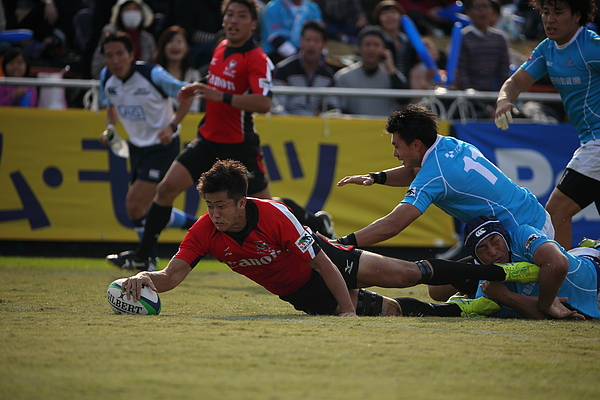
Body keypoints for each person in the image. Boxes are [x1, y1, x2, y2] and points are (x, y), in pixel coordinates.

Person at [120, 159, 543, 317]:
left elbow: (321, 262)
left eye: (220, 205)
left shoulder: (275, 216)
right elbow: (173, 276)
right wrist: (144, 280)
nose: (213, 213)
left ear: (242, 200)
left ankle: (499, 270)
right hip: (300, 294)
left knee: (409, 274)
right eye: (208, 205)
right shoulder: (204, 231)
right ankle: (470, 310)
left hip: (327, 259)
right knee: (393, 312)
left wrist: (345, 310)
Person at [106, 0, 335, 272]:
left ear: (253, 24)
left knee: (268, 206)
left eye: (241, 15)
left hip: (240, 146)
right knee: (166, 189)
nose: (233, 20)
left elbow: (263, 103)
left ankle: (317, 223)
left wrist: (220, 96)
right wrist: (197, 89)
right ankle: (144, 254)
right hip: (207, 139)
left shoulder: (257, 58)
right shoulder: (221, 47)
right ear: (223, 20)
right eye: (229, 15)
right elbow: (215, 85)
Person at [336, 104, 569, 316]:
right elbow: (415, 171)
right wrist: (375, 177)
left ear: (416, 144)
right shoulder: (447, 145)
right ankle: (493, 289)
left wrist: (342, 243)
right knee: (437, 289)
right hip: (530, 216)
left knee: (495, 298)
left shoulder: (435, 172)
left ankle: (510, 297)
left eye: (397, 146)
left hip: (519, 238)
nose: (395, 154)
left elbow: (393, 225)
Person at [494, 0, 600, 250]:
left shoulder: (591, 46)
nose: (549, 19)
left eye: (558, 12)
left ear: (577, 15)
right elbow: (515, 82)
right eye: (545, 12)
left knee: (556, 211)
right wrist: (503, 100)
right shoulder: (546, 50)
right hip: (589, 140)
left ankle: (563, 284)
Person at [99, 31, 197, 271]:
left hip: (162, 146)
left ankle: (146, 258)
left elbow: (187, 95)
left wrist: (172, 126)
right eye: (109, 56)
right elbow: (111, 105)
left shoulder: (152, 74)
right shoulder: (106, 78)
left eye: (120, 54)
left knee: (134, 204)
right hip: (137, 148)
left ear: (132, 55)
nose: (115, 61)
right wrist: (110, 128)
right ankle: (195, 228)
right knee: (147, 207)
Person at [464, 215, 598, 319]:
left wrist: (545, 305)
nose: (492, 251)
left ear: (505, 238)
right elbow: (544, 318)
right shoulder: (488, 287)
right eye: (482, 248)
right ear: (477, 257)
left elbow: (558, 264)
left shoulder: (521, 236)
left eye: (495, 241)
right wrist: (505, 296)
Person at [334, 26, 408, 116]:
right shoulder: (343, 76)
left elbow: (404, 100)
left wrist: (391, 69)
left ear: (383, 49)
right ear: (359, 48)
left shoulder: (392, 75)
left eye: (376, 45)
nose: (371, 49)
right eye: (367, 44)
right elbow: (339, 109)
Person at [272, 20, 340, 115]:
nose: (311, 44)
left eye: (316, 41)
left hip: (317, 127)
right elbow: (277, 105)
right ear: (301, 42)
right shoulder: (283, 70)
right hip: (288, 125)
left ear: (324, 45)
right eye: (308, 40)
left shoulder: (327, 75)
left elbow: (332, 107)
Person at [455, 0, 510, 118]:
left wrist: (500, 102)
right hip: (468, 102)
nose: (482, 11)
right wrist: (478, 102)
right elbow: (461, 75)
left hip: (495, 99)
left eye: (486, 6)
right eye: (477, 7)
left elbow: (504, 74)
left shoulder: (500, 38)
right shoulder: (462, 38)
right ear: (468, 12)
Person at [91, 0, 156, 79]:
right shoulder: (108, 36)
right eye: (127, 9)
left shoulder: (148, 39)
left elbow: (153, 67)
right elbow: (96, 69)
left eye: (135, 9)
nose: (132, 12)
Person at [154, 25, 201, 113]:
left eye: (179, 42)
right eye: (170, 41)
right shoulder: (155, 73)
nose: (174, 45)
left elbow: (195, 106)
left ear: (186, 48)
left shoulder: (193, 75)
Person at [260, 0, 323, 64]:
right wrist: (296, 57)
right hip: (276, 55)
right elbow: (274, 38)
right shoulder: (273, 7)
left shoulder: (313, 8)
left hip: (306, 54)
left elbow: (320, 35)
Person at [373, 0, 418, 86]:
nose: (390, 17)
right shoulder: (375, 41)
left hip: (405, 85)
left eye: (393, 12)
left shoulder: (407, 41)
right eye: (384, 13)